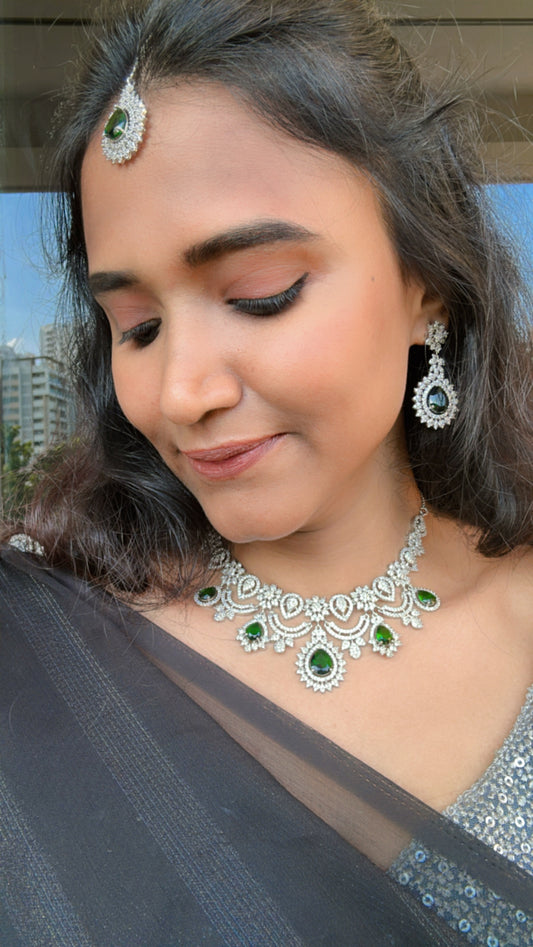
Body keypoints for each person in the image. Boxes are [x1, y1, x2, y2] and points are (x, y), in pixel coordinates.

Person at [1, 0, 532, 943]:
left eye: (260, 294)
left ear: (427, 282)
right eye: (138, 327)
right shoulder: (47, 646)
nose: (179, 392)